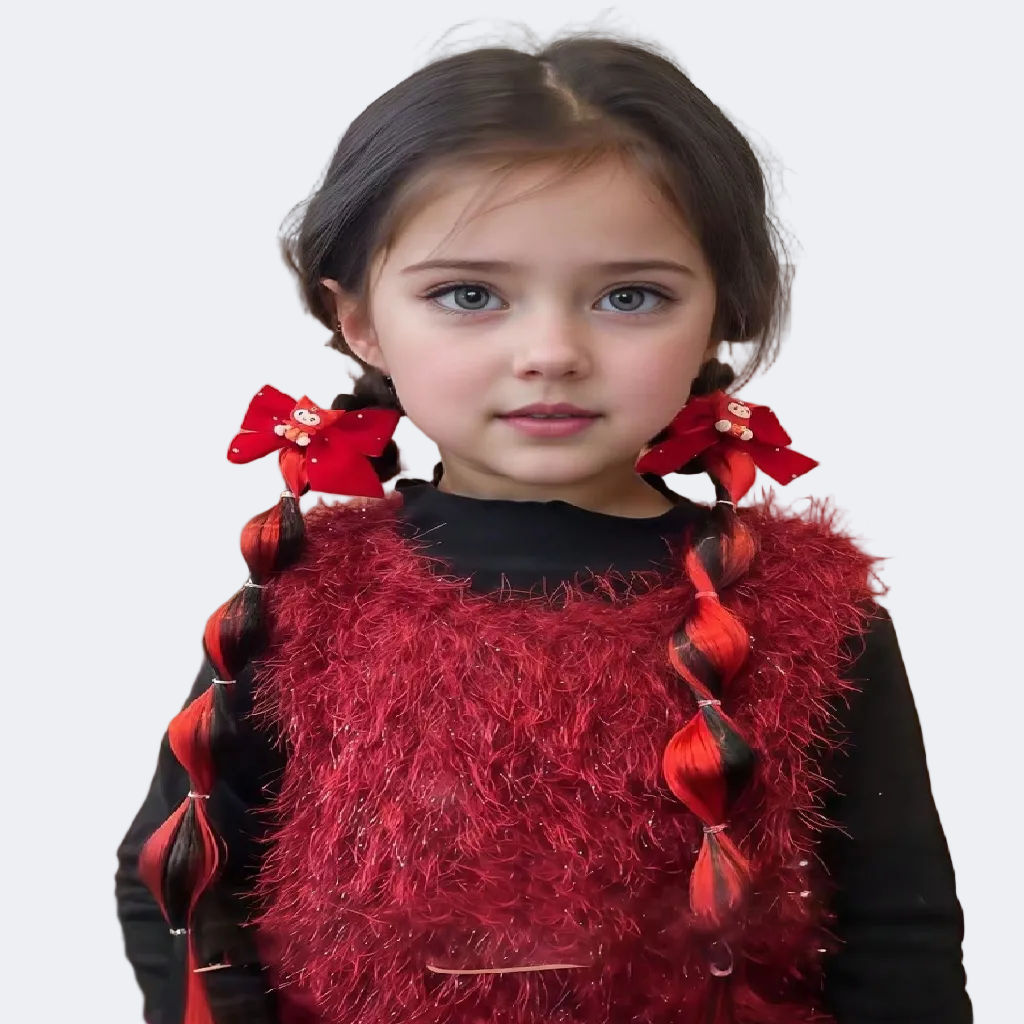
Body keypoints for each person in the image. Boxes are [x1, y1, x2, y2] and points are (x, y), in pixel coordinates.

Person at [114, 33, 972, 1024]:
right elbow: (173, 882)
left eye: (629, 296)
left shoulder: (804, 613)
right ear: (359, 321)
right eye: (469, 295)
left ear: (719, 314)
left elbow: (896, 932)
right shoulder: (296, 603)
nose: (552, 351)